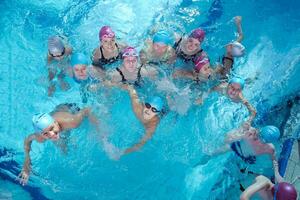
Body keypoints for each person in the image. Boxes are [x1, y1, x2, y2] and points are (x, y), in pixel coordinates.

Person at [18, 103, 100, 186]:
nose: (51, 134)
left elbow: (87, 110)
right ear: (41, 134)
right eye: (45, 134)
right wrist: (27, 161)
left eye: (51, 129)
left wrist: (101, 136)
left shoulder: (72, 122)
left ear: (56, 123)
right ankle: (68, 139)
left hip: (69, 109)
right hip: (54, 120)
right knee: (63, 149)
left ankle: (70, 138)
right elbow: (27, 140)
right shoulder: (40, 137)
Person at [121, 85, 164, 155]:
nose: (149, 110)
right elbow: (131, 89)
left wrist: (122, 153)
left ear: (157, 113)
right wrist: (111, 85)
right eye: (148, 106)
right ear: (144, 104)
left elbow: (140, 144)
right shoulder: (137, 108)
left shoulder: (152, 125)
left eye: (154, 110)